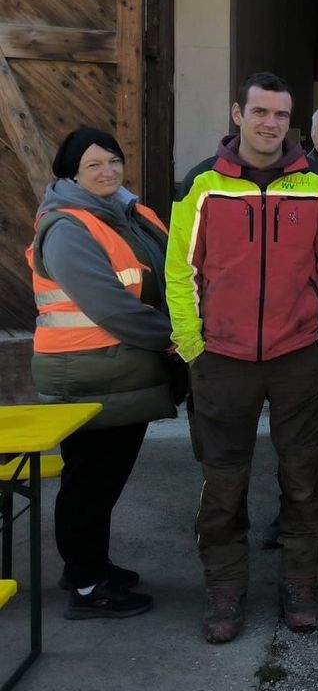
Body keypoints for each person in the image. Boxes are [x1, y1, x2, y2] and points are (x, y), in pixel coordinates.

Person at [166, 72, 318, 643]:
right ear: (237, 114)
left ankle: (299, 583)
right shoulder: (199, 187)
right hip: (221, 359)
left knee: (302, 479)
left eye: (281, 115)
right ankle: (225, 590)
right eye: (261, 112)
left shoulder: (317, 185)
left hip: (299, 355)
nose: (271, 124)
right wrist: (194, 346)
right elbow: (180, 271)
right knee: (223, 484)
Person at [27, 127, 178, 621]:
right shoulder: (68, 226)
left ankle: (88, 567)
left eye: (113, 160)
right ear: (71, 174)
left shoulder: (128, 212)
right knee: (89, 483)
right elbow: (110, 305)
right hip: (89, 374)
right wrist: (171, 337)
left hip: (118, 373)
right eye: (94, 165)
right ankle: (88, 589)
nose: (108, 172)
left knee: (100, 481)